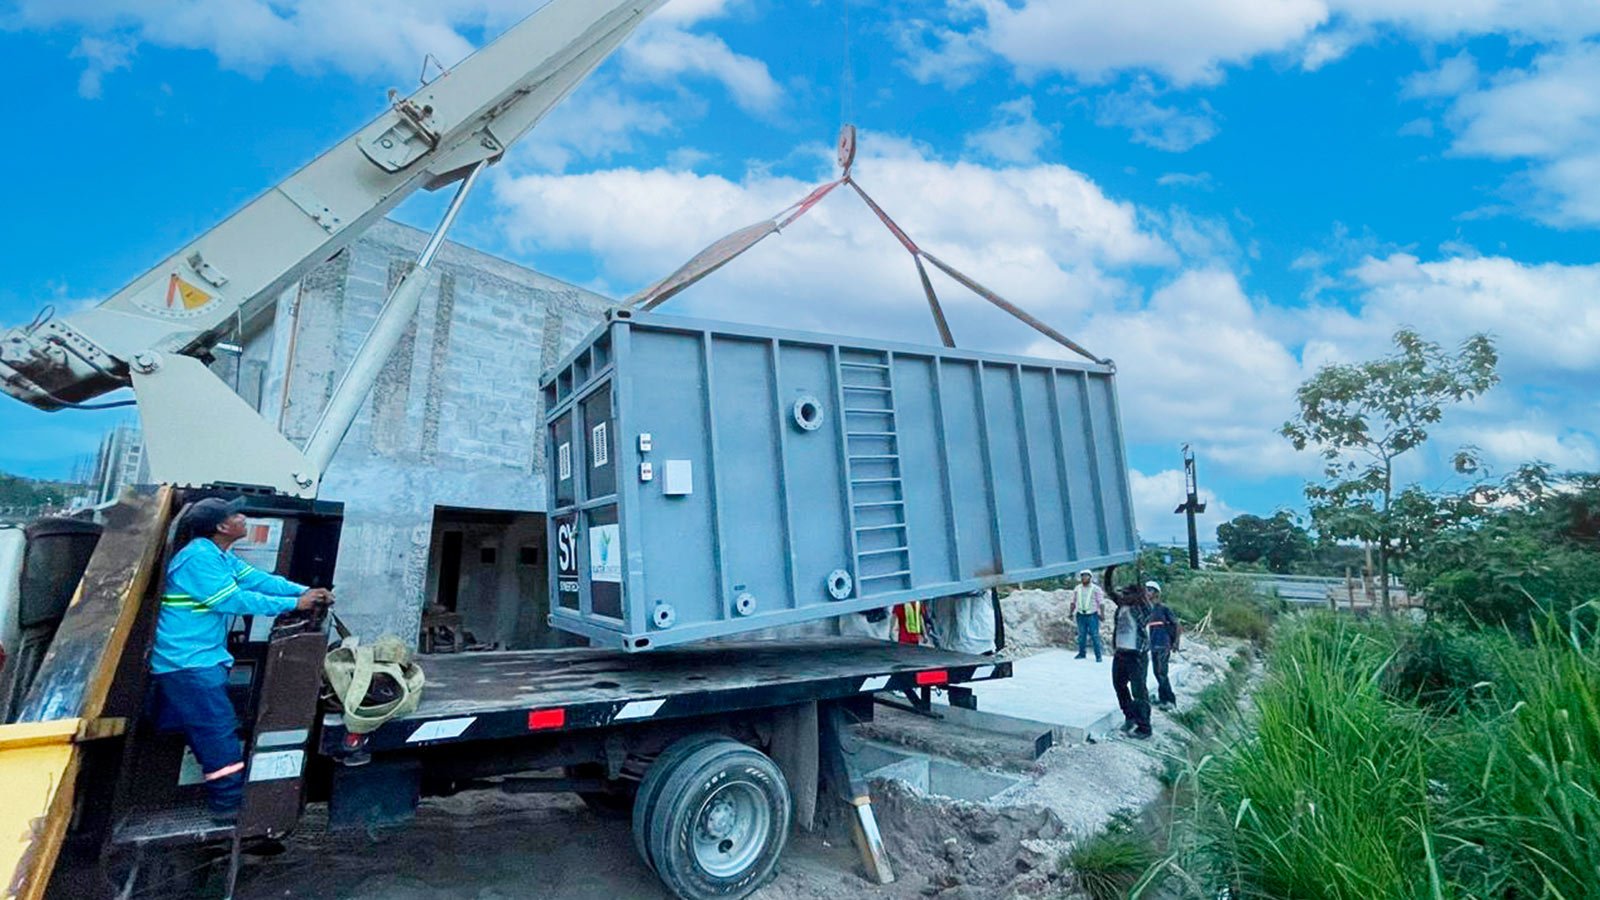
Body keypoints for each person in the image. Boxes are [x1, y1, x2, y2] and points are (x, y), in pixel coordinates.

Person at [151, 497, 332, 822]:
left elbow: (259, 580)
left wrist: (307, 591)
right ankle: (228, 807)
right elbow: (233, 600)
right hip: (189, 663)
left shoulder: (218, 555)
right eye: (236, 515)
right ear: (222, 526)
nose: (243, 518)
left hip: (200, 659)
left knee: (209, 729)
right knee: (217, 732)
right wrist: (296, 604)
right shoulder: (197, 559)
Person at [1110, 583, 1153, 739]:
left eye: (1127, 594)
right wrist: (1110, 568)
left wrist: (1141, 591)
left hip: (1136, 655)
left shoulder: (1142, 609)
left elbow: (1144, 600)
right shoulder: (1121, 606)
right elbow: (1109, 588)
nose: (1123, 596)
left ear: (1135, 596)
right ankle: (1130, 717)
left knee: (1139, 691)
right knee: (1119, 685)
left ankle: (1144, 728)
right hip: (1121, 653)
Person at [1144, 582, 1180, 708]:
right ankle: (1163, 698)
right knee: (1157, 672)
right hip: (1154, 645)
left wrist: (1175, 642)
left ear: (1156, 593)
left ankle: (1170, 700)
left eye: (1149, 590)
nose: (1146, 592)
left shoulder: (1163, 609)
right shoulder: (1148, 609)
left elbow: (1176, 625)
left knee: (1161, 673)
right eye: (1146, 589)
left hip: (1163, 644)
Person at [1070, 569, 1109, 662]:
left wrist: (1102, 614)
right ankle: (1082, 653)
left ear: (1090, 577)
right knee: (1081, 635)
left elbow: (1101, 603)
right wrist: (1070, 612)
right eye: (1083, 576)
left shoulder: (1096, 589)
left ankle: (1098, 656)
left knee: (1095, 635)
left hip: (1092, 615)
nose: (1084, 578)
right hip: (1080, 615)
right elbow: (1073, 601)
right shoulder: (1077, 588)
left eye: (1086, 576)